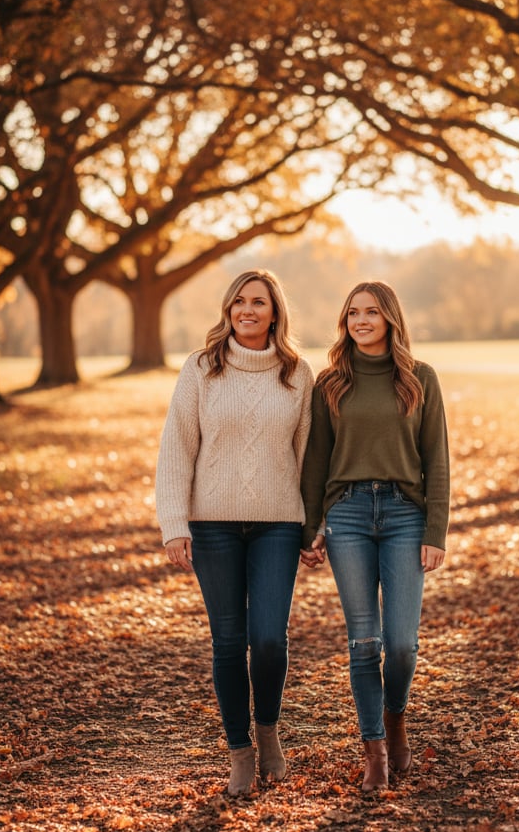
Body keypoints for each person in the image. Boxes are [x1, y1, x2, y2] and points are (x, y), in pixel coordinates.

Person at [155, 269, 313, 797]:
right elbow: (177, 448)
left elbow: (308, 455)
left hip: (278, 524)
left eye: (259, 302)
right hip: (212, 525)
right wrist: (174, 523)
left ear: (275, 313)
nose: (247, 310)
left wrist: (313, 526)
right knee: (228, 640)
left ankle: (268, 730)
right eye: (239, 301)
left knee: (268, 639)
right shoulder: (202, 368)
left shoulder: (297, 373)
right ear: (228, 309)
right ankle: (240, 751)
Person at [300, 280, 450, 791]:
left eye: (370, 312)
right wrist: (311, 527)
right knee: (364, 641)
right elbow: (316, 461)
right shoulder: (331, 383)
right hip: (348, 515)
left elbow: (437, 460)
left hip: (406, 515)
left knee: (402, 644)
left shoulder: (420, 378)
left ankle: (395, 718)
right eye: (353, 313)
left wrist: (436, 529)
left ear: (390, 318)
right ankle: (375, 752)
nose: (360, 321)